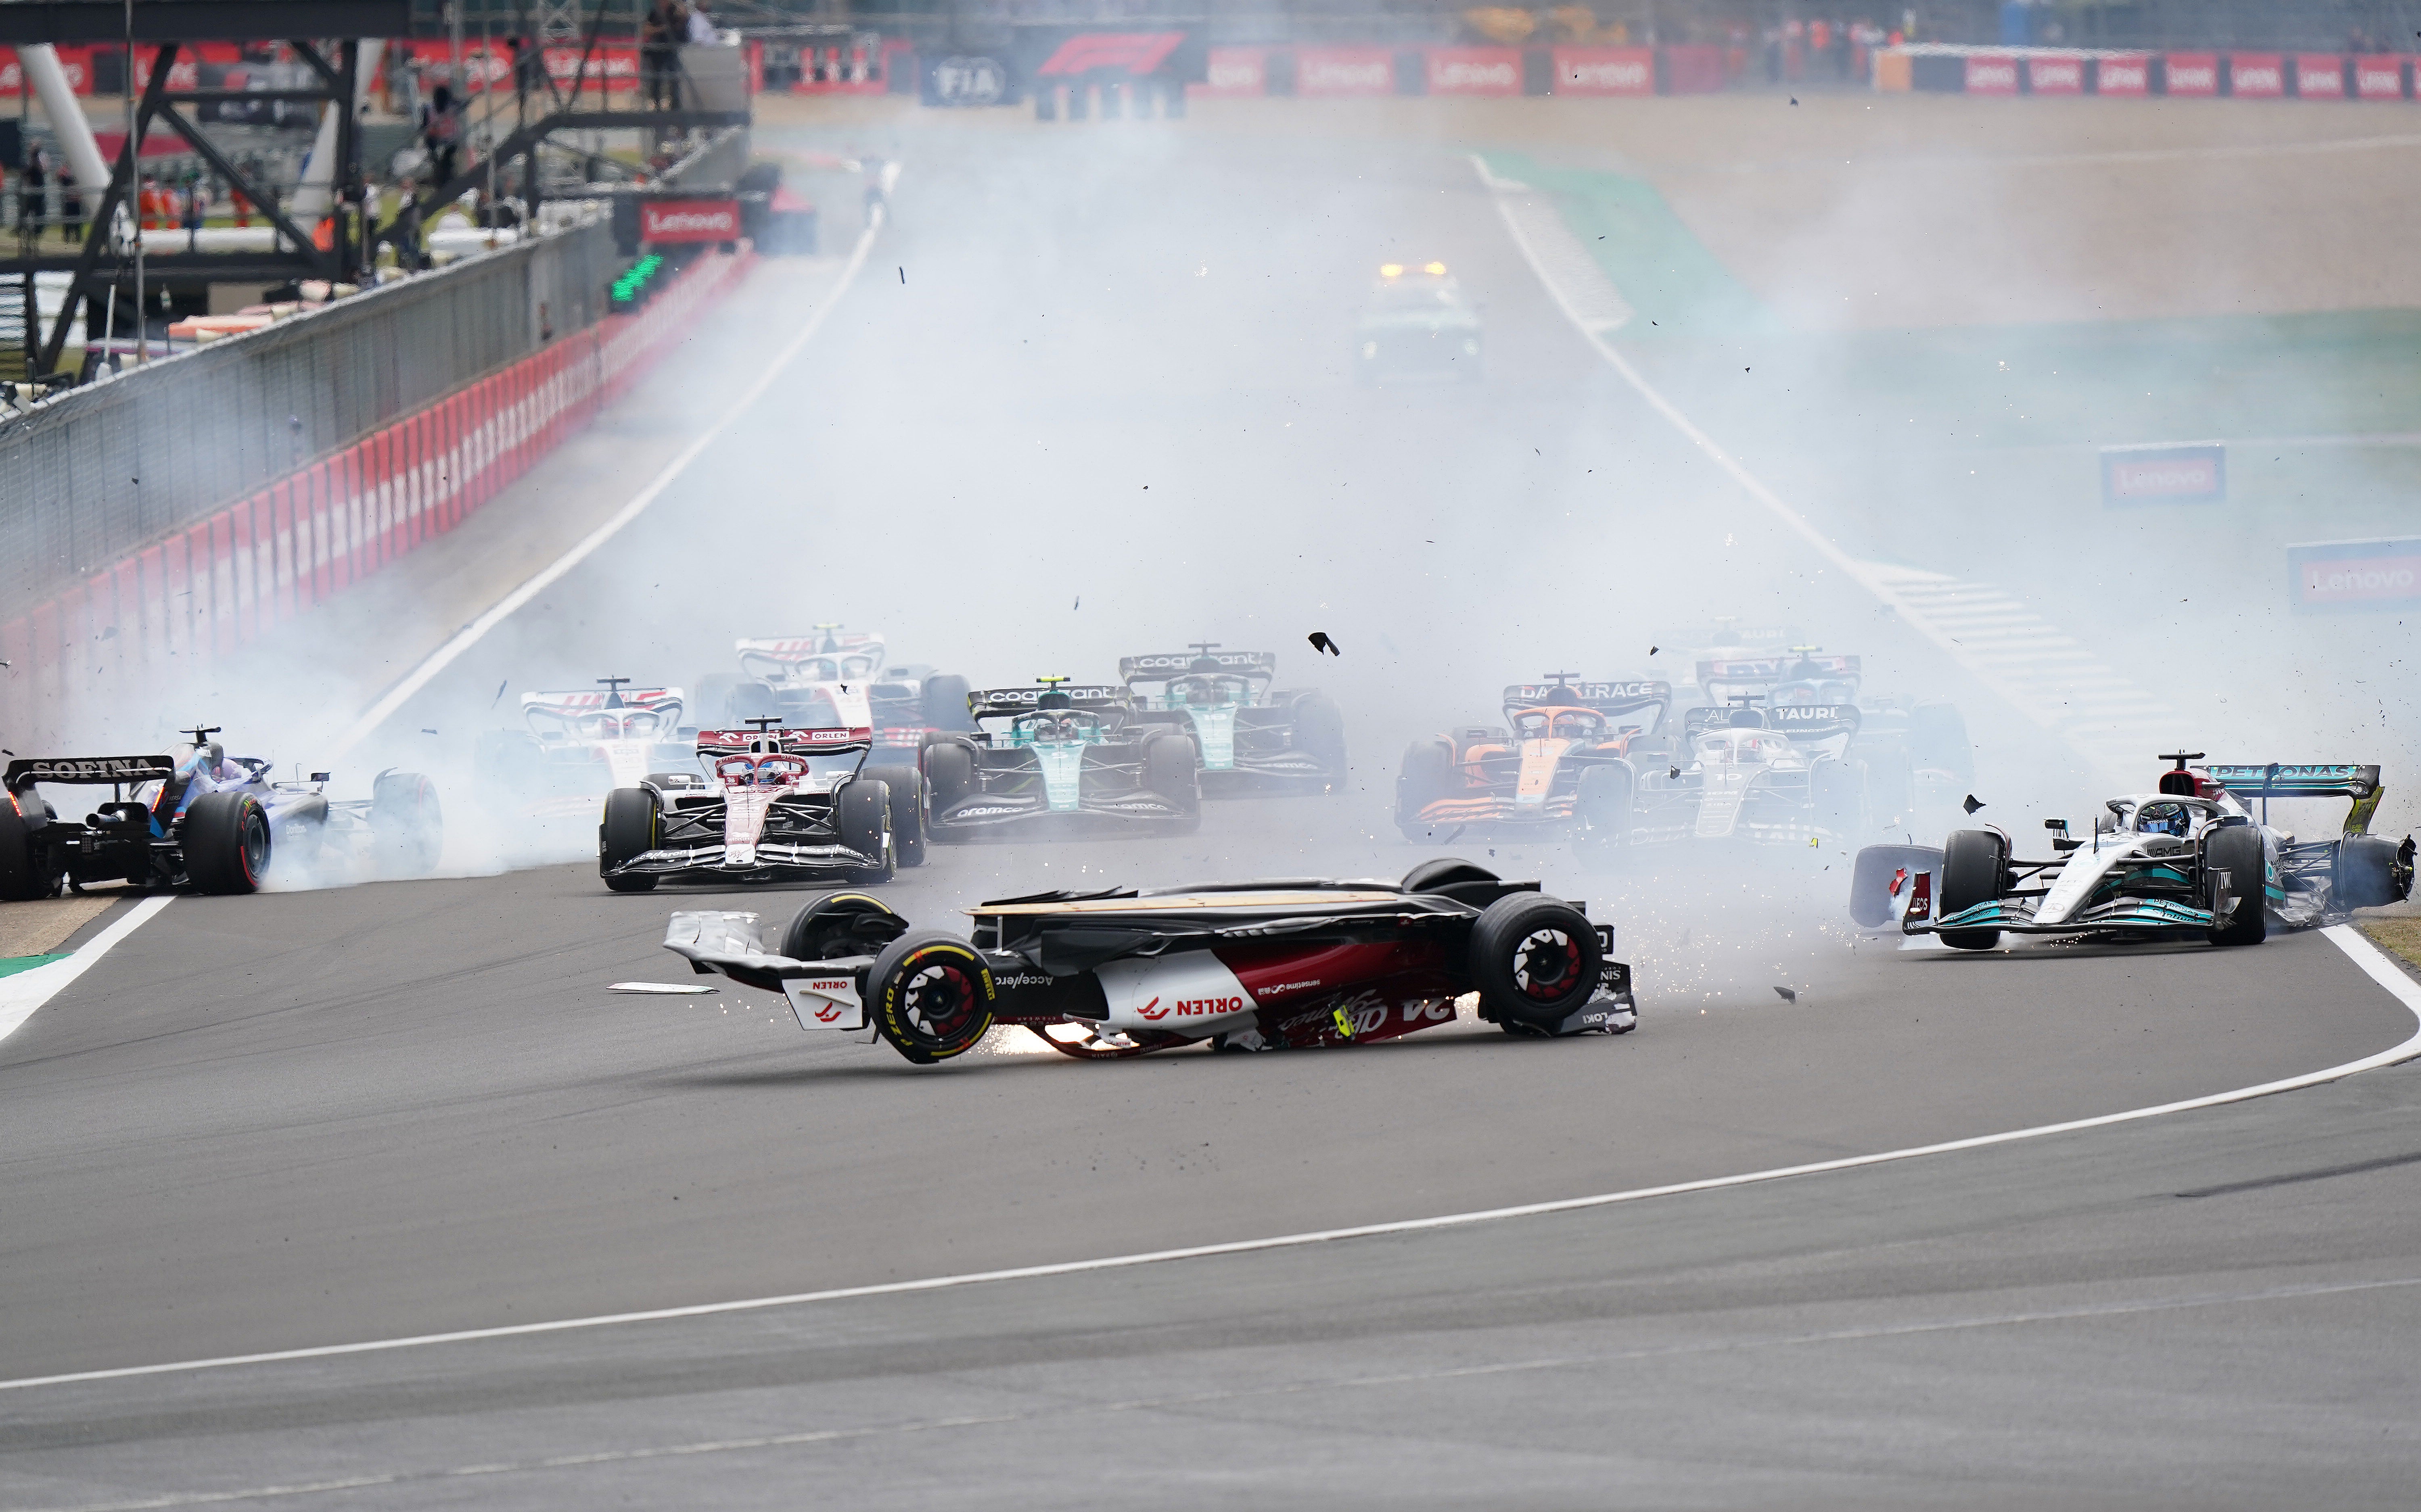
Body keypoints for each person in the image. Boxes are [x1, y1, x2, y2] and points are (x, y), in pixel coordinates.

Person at [641, 0, 681, 109]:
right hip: (657, 51)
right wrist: (661, 29)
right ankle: (656, 103)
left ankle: (675, 105)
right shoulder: (655, 12)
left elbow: (682, 20)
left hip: (672, 50)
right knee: (656, 79)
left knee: (674, 78)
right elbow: (646, 29)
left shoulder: (675, 10)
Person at [420, 82, 461, 186]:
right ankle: (439, 179)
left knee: (447, 161)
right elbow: (424, 127)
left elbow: (464, 103)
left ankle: (446, 180)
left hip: (450, 140)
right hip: (434, 140)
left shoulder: (452, 106)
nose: (441, 104)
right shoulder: (428, 109)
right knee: (436, 160)